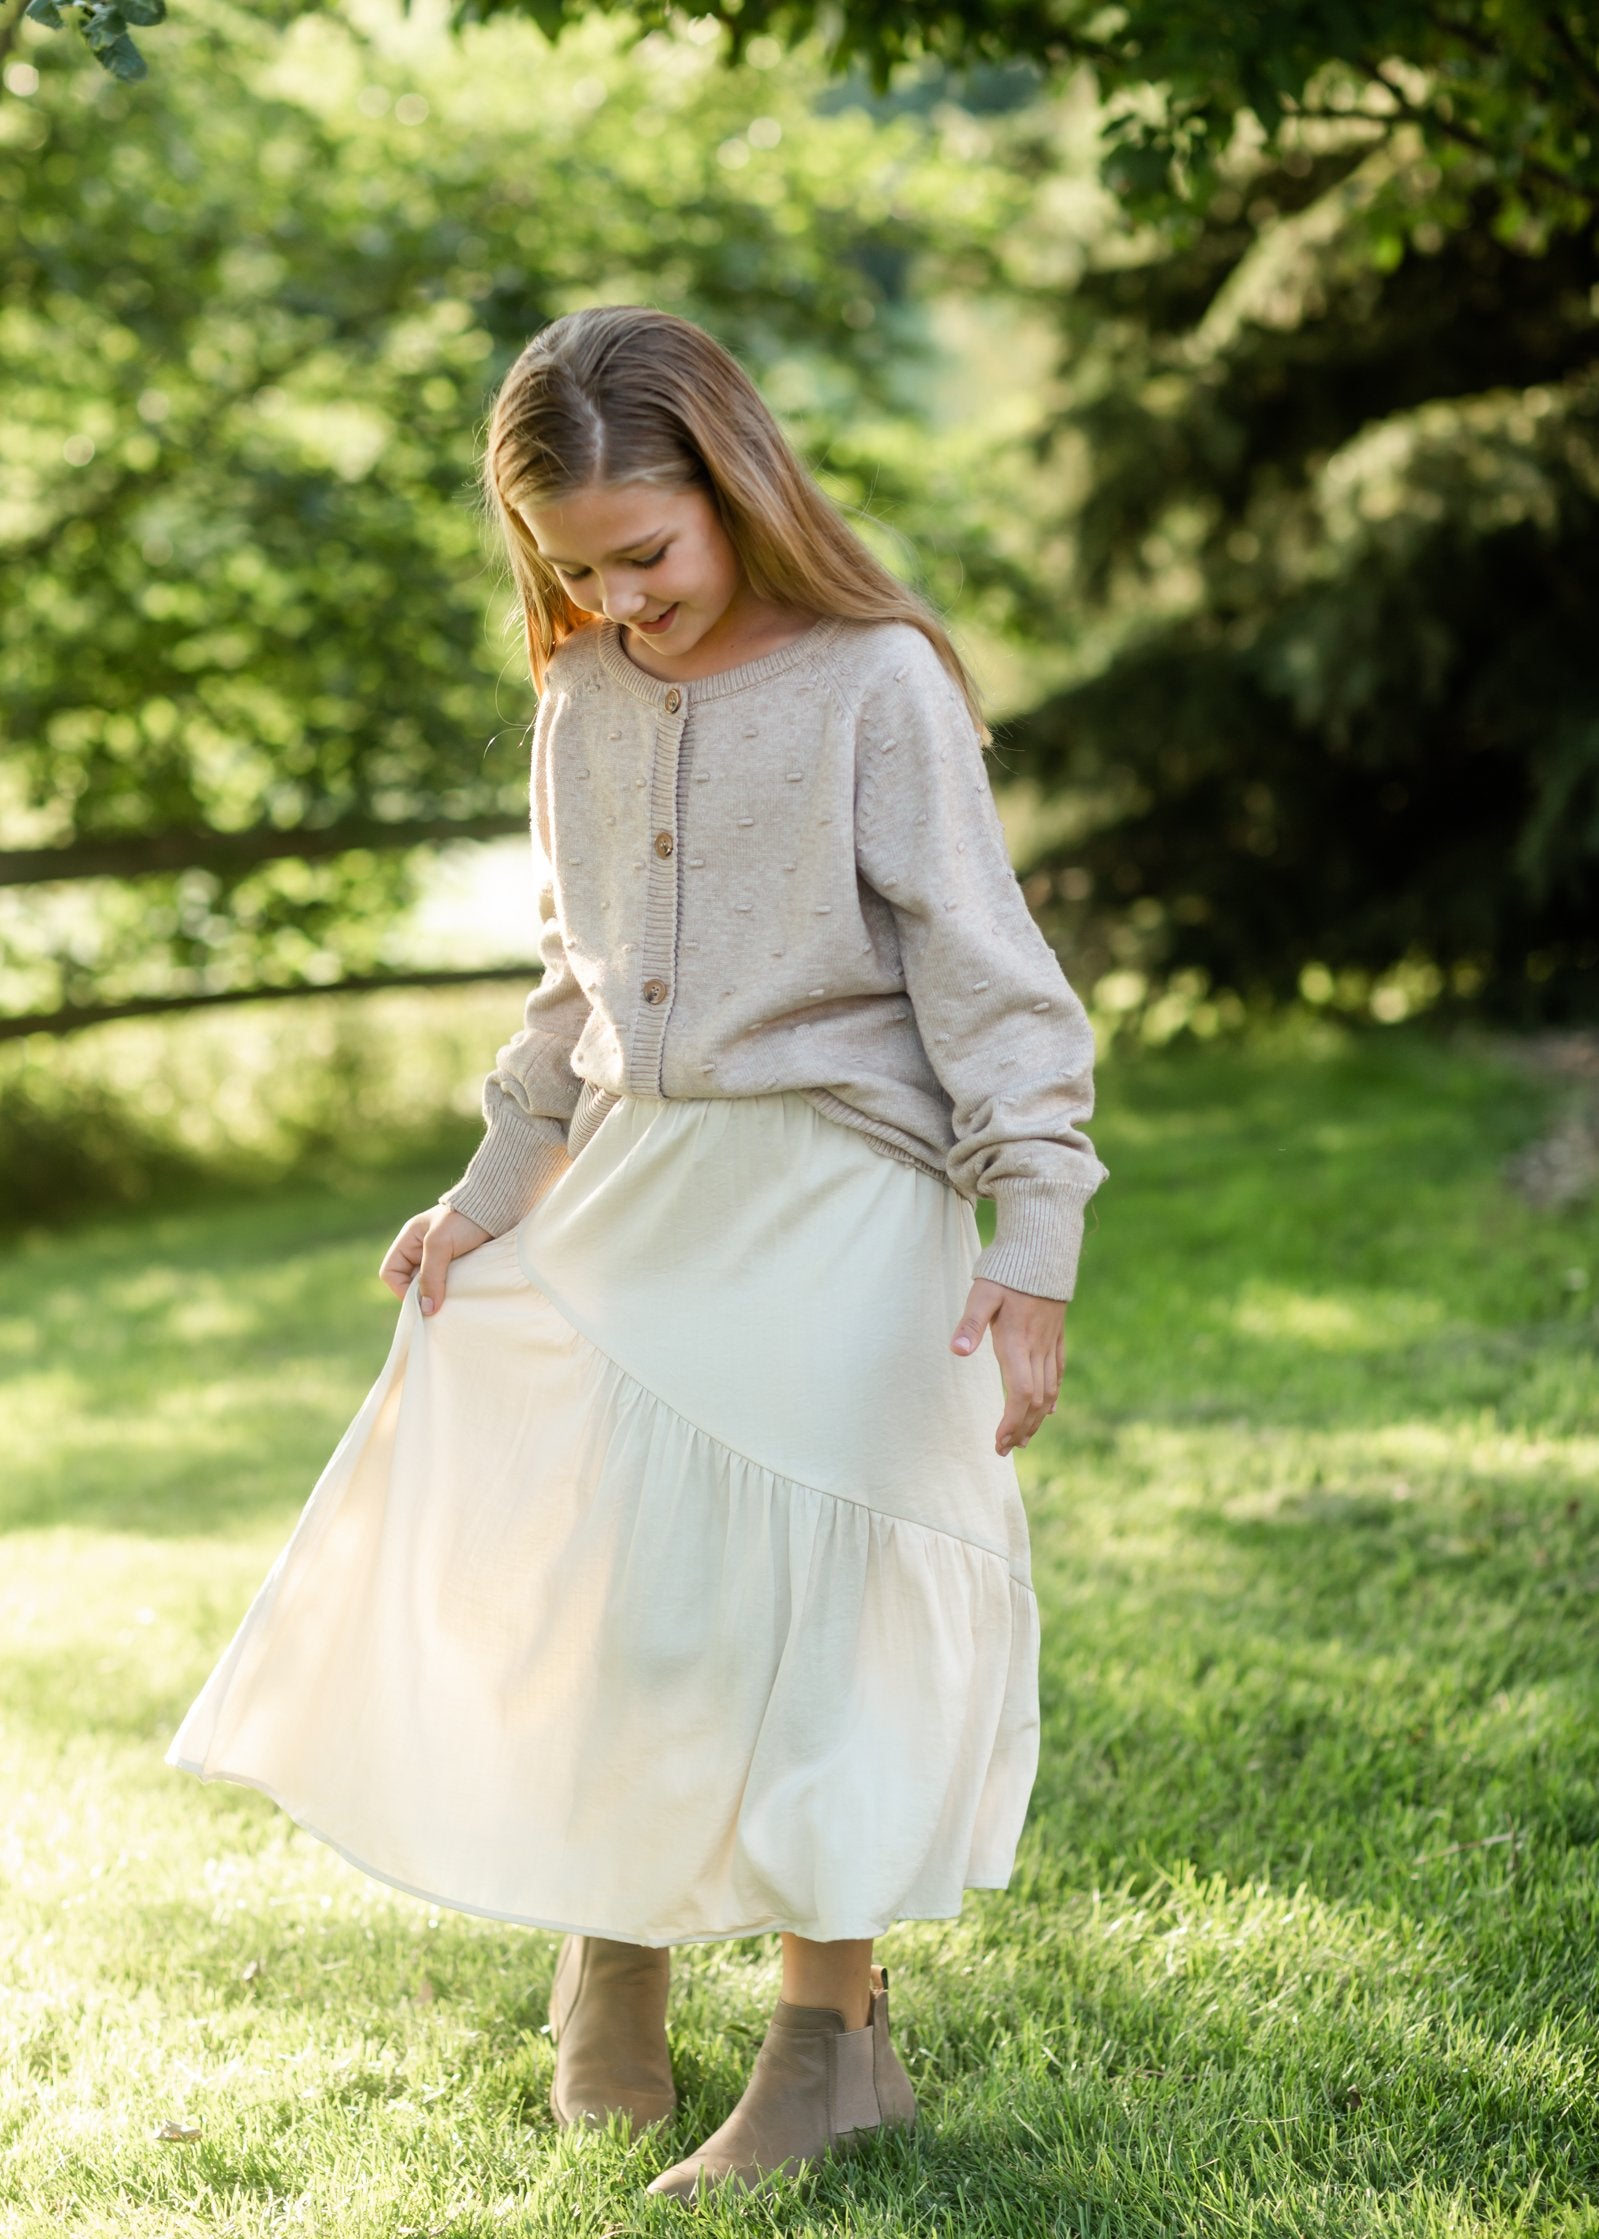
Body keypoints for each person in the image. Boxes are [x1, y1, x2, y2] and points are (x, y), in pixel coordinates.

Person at [166, 304, 1107, 2201]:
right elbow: (567, 990)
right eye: (571, 571)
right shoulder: (583, 698)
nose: (616, 604)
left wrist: (1037, 1242)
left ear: (739, 489)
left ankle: (823, 2041)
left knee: (815, 1625)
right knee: (631, 1595)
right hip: (648, 1184)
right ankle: (617, 1937)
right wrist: (487, 1190)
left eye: (645, 556)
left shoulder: (875, 681)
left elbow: (996, 989)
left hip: (840, 1187)